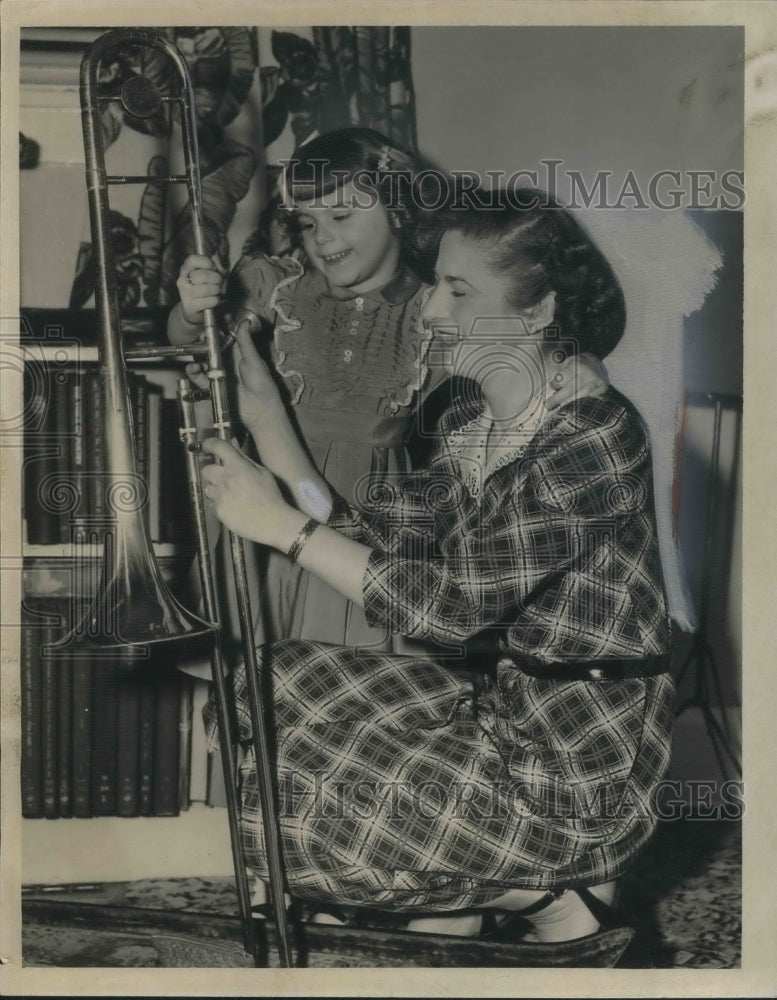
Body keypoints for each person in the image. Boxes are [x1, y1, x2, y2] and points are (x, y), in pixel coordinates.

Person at [197, 190, 675, 947]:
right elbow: (378, 536)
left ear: (537, 310)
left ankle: (545, 886)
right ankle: (471, 891)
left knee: (347, 800)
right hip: (505, 706)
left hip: (578, 752)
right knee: (271, 683)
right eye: (434, 286)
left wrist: (279, 528)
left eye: (457, 291)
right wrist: (266, 423)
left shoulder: (592, 436)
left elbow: (449, 609)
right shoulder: (471, 426)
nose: (429, 313)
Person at [168, 127, 608, 654]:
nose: (322, 238)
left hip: (367, 511)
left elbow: (519, 342)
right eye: (307, 223)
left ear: (398, 210)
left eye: (342, 217)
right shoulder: (272, 284)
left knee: (340, 663)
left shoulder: (434, 307)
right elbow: (192, 343)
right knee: (240, 663)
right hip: (267, 484)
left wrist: (578, 361)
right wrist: (192, 311)